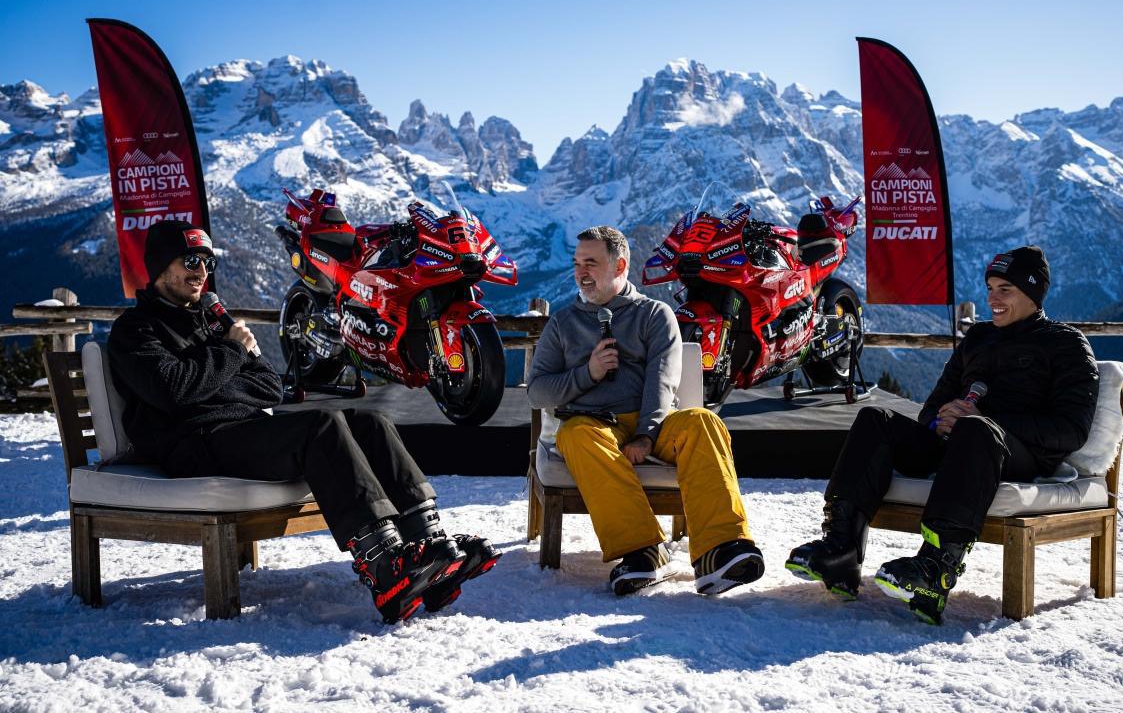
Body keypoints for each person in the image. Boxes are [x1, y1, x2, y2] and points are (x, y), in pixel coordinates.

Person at [107, 220, 499, 624]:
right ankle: (384, 566)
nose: (202, 271)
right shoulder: (135, 330)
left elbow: (268, 387)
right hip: (194, 445)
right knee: (321, 427)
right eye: (190, 260)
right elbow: (174, 392)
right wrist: (229, 357)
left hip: (237, 431)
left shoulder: (212, 323)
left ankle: (429, 547)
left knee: (371, 421)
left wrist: (218, 377)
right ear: (159, 267)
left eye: (208, 261)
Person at [786, 246, 1099, 624]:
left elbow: (1071, 430)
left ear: (1033, 294)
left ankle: (935, 568)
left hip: (1017, 455)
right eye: (990, 288)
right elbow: (930, 408)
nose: (992, 299)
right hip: (958, 443)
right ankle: (841, 548)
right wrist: (940, 420)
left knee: (976, 429)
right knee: (875, 418)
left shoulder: (1065, 343)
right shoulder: (979, 338)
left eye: (1005, 290)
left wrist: (984, 417)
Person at [528, 225, 764, 596]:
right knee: (574, 435)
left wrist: (646, 434)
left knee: (704, 422)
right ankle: (643, 552)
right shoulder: (562, 323)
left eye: (591, 262)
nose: (581, 272)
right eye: (577, 263)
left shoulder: (654, 314)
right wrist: (587, 373)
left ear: (619, 264)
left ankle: (721, 551)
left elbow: (663, 380)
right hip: (593, 426)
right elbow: (538, 392)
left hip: (651, 422)